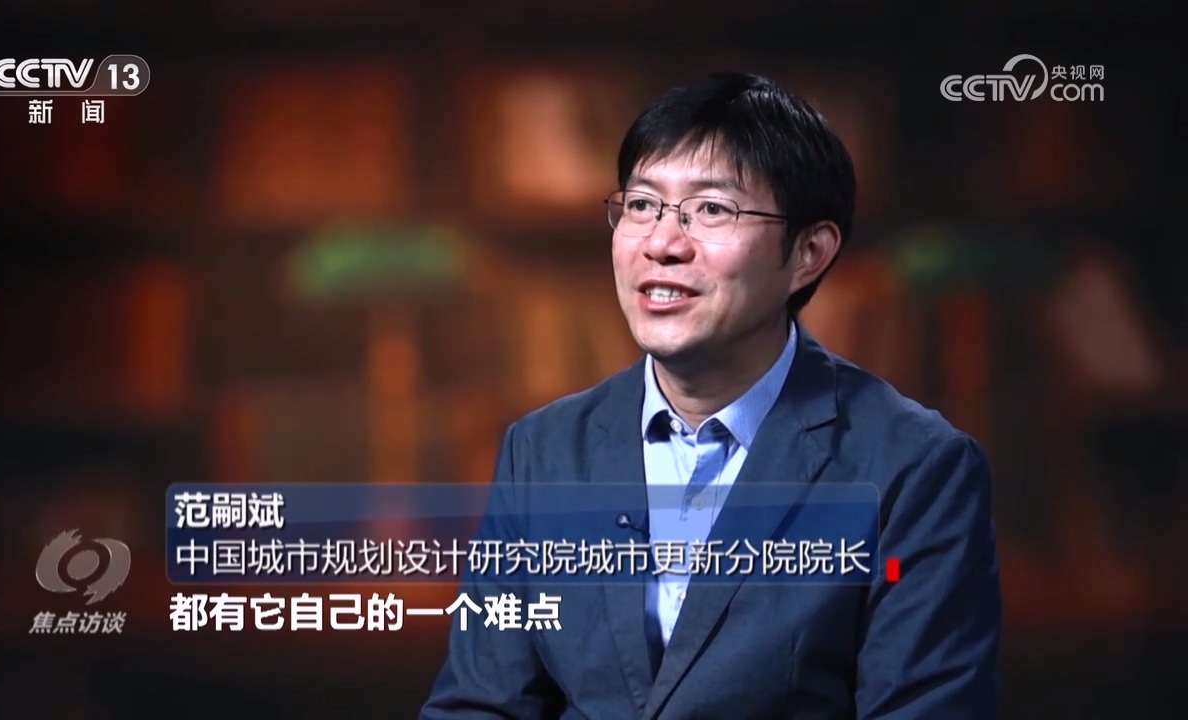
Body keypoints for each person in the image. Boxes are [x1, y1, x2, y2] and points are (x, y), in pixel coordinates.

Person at [421, 72, 1000, 719]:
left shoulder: (916, 468)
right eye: (642, 205)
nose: (662, 244)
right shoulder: (543, 450)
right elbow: (480, 703)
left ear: (809, 253)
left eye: (712, 210)